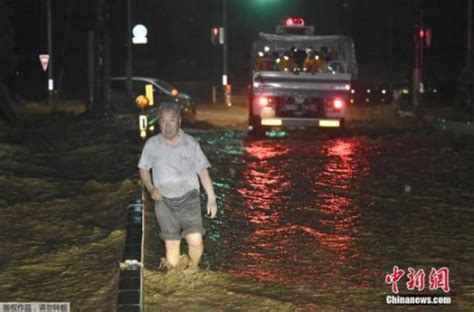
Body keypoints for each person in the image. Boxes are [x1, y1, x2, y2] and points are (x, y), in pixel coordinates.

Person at [138, 102, 217, 272]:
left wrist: (212, 199)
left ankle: (193, 268)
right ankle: (174, 280)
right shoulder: (152, 145)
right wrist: (151, 189)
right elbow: (143, 169)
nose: (168, 126)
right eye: (163, 121)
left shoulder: (191, 144)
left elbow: (203, 172)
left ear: (179, 122)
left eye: (172, 120)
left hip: (189, 198)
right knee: (172, 244)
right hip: (163, 200)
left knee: (195, 239)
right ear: (158, 124)